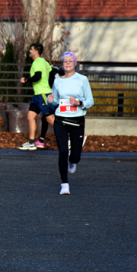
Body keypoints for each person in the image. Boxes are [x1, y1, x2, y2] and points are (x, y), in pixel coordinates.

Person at [48, 51, 94, 195]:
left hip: (77, 120)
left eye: (70, 61)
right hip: (60, 119)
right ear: (62, 65)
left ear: (75, 64)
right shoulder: (58, 81)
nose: (67, 63)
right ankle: (64, 184)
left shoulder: (82, 80)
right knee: (62, 151)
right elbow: (56, 100)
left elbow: (90, 101)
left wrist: (79, 102)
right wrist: (51, 100)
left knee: (75, 156)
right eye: (65, 61)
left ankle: (73, 161)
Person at [18, 43, 56, 150]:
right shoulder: (44, 62)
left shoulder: (38, 62)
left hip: (43, 94)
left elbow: (38, 76)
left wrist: (26, 79)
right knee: (30, 116)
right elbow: (51, 73)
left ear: (36, 51)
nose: (29, 50)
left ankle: (68, 138)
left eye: (31, 49)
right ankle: (31, 142)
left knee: (50, 119)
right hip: (37, 95)